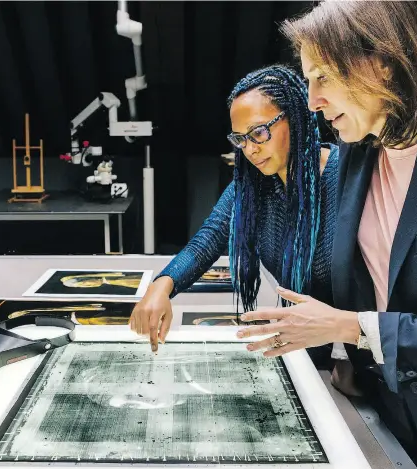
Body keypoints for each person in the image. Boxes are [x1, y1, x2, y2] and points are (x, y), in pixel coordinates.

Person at [237, 2, 417, 469]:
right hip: (389, 420)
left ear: (382, 63)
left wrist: (350, 327)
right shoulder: (359, 153)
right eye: (308, 81)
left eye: (324, 77)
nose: (312, 101)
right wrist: (346, 350)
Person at [129, 64, 340, 365]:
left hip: (358, 362)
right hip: (303, 357)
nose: (250, 150)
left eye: (258, 132)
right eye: (240, 139)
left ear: (295, 117)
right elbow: (209, 238)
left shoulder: (345, 178)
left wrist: (345, 356)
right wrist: (162, 286)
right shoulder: (254, 187)